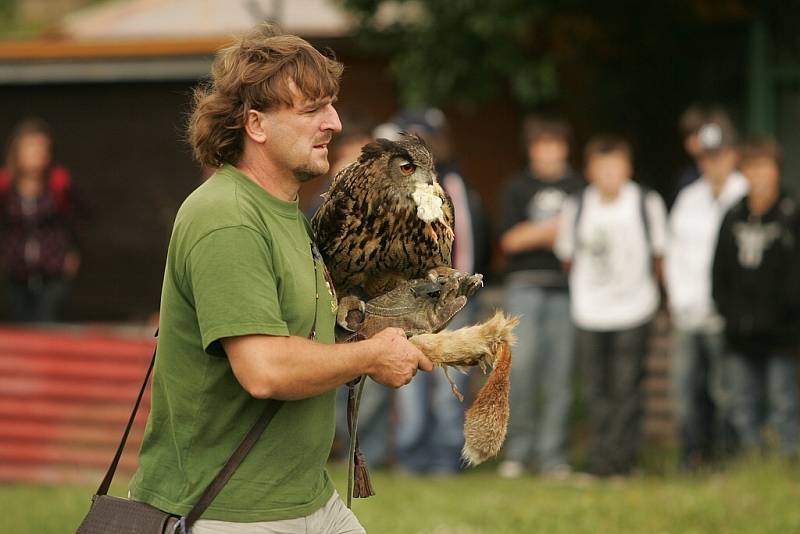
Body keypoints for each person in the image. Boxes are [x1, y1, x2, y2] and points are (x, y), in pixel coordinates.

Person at [128, 24, 434, 533]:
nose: (333, 123)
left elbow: (309, 337)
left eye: (332, 106)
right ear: (256, 125)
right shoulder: (225, 216)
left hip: (308, 497)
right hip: (230, 511)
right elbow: (264, 369)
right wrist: (373, 355)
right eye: (312, 109)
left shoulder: (290, 213)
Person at [386, 108, 492, 475]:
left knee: (450, 386)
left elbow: (466, 241)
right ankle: (412, 456)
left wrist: (456, 291)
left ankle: (447, 458)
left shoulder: (452, 182)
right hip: (409, 301)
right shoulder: (390, 187)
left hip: (451, 300)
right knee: (409, 381)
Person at [556, 135, 668, 476]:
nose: (609, 173)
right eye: (601, 166)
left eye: (615, 165)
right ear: (589, 170)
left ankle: (624, 462)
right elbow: (567, 257)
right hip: (589, 311)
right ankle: (600, 460)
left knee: (627, 389)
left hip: (635, 309)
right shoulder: (576, 205)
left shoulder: (646, 202)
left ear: (628, 168)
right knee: (595, 390)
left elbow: (659, 256)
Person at [497, 115, 584, 478]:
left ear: (565, 148)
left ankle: (553, 456)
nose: (549, 152)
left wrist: (533, 232)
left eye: (555, 144)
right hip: (525, 286)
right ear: (531, 149)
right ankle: (518, 452)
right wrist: (554, 230)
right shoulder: (516, 187)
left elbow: (586, 239)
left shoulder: (581, 187)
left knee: (560, 374)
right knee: (523, 369)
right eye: (541, 144)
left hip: (567, 290)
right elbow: (509, 241)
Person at [665, 116, 748, 470]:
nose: (712, 163)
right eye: (706, 156)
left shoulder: (746, 195)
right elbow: (674, 255)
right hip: (688, 313)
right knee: (686, 394)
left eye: (720, 155)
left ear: (734, 155)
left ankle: (726, 460)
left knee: (725, 392)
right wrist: (678, 301)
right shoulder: (688, 198)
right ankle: (692, 459)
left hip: (728, 313)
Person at [712, 137, 800, 459]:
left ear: (777, 170)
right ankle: (748, 462)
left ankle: (787, 463)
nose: (759, 175)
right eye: (751, 167)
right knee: (740, 402)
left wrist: (788, 315)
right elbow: (719, 271)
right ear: (743, 172)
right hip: (740, 331)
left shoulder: (792, 215)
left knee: (783, 400)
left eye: (765, 166)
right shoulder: (733, 215)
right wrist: (728, 312)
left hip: (782, 333)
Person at [0, 117, 81, 322]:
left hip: (53, 271)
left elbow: (80, 217)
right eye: (31, 148)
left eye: (42, 148)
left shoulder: (58, 184)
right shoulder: (5, 186)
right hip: (15, 273)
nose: (38, 154)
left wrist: (73, 252)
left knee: (47, 325)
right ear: (17, 152)